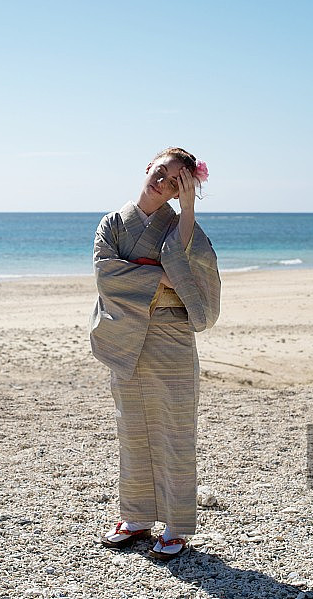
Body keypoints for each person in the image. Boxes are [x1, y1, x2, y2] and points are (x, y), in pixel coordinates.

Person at [88, 147, 221, 561]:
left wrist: (187, 211)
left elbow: (196, 276)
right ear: (148, 168)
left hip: (171, 335)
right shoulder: (113, 223)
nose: (162, 181)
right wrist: (161, 275)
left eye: (176, 181)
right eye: (160, 171)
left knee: (176, 429)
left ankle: (177, 527)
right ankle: (137, 516)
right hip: (126, 335)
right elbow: (105, 273)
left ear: (183, 188)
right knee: (132, 427)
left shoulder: (182, 225)